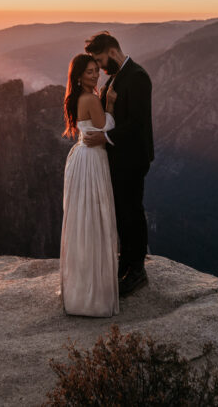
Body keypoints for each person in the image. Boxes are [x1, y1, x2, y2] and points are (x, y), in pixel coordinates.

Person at [82, 32, 154, 296]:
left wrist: (105, 137)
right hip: (117, 158)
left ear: (112, 52)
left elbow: (137, 123)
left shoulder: (137, 77)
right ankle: (126, 263)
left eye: (100, 60)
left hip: (133, 158)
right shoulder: (114, 79)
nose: (100, 67)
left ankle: (137, 271)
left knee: (133, 212)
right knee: (122, 213)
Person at [59, 53, 119, 316]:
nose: (95, 75)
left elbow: (90, 131)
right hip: (93, 160)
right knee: (95, 217)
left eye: (96, 70)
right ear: (79, 75)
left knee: (82, 220)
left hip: (80, 156)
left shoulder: (73, 99)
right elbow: (105, 126)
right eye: (90, 72)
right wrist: (111, 104)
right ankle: (94, 292)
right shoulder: (91, 99)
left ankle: (81, 285)